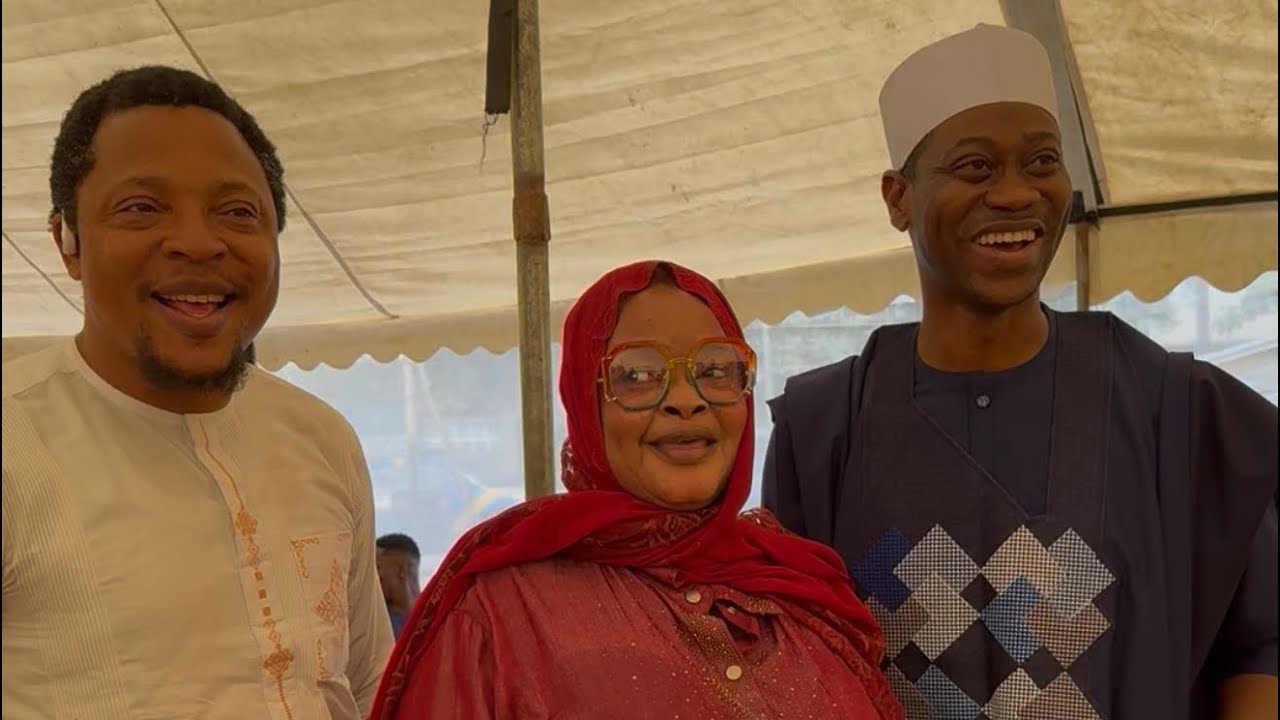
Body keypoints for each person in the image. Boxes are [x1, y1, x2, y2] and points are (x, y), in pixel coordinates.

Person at [762, 24, 1278, 720]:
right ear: (897, 198)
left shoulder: (1174, 409)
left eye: (1041, 163)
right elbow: (786, 666)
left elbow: (1261, 644)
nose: (1014, 194)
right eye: (975, 167)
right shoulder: (822, 428)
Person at [1, 66, 393, 719]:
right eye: (141, 208)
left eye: (237, 212)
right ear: (66, 241)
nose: (197, 243)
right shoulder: (15, 445)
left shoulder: (321, 438)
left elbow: (369, 677)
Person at [369, 261, 902, 719]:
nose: (685, 400)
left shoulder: (801, 586)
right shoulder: (499, 616)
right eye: (637, 375)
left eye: (716, 368)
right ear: (585, 401)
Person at [376, 533, 422, 638]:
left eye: (377, 567)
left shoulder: (439, 620)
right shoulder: (374, 623)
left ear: (402, 570)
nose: (372, 576)